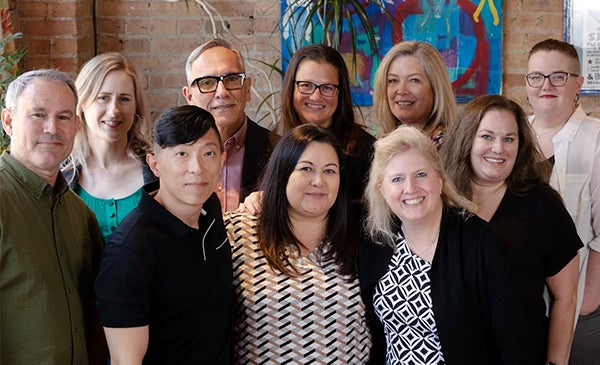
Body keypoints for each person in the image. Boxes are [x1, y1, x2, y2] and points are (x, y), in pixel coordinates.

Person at [359, 125, 540, 364]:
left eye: (421, 174)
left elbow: (520, 346)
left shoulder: (485, 246)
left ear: (440, 179)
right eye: (397, 179)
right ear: (382, 189)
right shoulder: (378, 243)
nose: (410, 188)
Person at [441, 94, 582, 365]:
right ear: (466, 139)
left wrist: (556, 363)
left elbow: (566, 296)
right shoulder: (441, 202)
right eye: (487, 137)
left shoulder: (542, 205)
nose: (498, 148)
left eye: (509, 139)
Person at [94, 105, 232, 364]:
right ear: (155, 165)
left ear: (223, 159)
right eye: (182, 154)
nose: (197, 168)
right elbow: (127, 361)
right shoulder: (130, 249)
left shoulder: (210, 208)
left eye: (208, 153)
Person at [225, 124, 371, 363]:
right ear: (282, 174)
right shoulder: (238, 231)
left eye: (330, 171)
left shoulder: (361, 237)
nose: (318, 181)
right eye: (306, 169)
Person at [0, 69, 105, 364]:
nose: (51, 128)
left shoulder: (81, 215)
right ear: (8, 121)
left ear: (76, 126)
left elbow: (93, 313)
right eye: (37, 114)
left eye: (63, 117)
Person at [525, 39, 600, 365]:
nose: (546, 86)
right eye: (537, 77)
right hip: (522, 300)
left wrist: (588, 300)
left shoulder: (595, 138)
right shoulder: (513, 135)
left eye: (558, 76)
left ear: (578, 83)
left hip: (579, 301)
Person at [62, 52, 156, 242]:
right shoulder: (59, 174)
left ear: (136, 107)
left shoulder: (157, 171)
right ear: (82, 103)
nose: (114, 111)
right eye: (103, 98)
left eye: (124, 99)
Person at [182, 37, 279, 212]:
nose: (222, 92)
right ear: (189, 96)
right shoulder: (173, 156)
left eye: (232, 79)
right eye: (207, 83)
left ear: (247, 88)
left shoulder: (278, 150)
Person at [280, 43, 376, 201]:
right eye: (306, 85)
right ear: (291, 88)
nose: (316, 96)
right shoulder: (272, 140)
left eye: (327, 88)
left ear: (341, 93)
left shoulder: (366, 152)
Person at [372, 41, 457, 148]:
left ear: (436, 88)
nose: (402, 90)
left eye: (414, 80)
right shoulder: (382, 141)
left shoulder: (446, 146)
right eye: (393, 80)